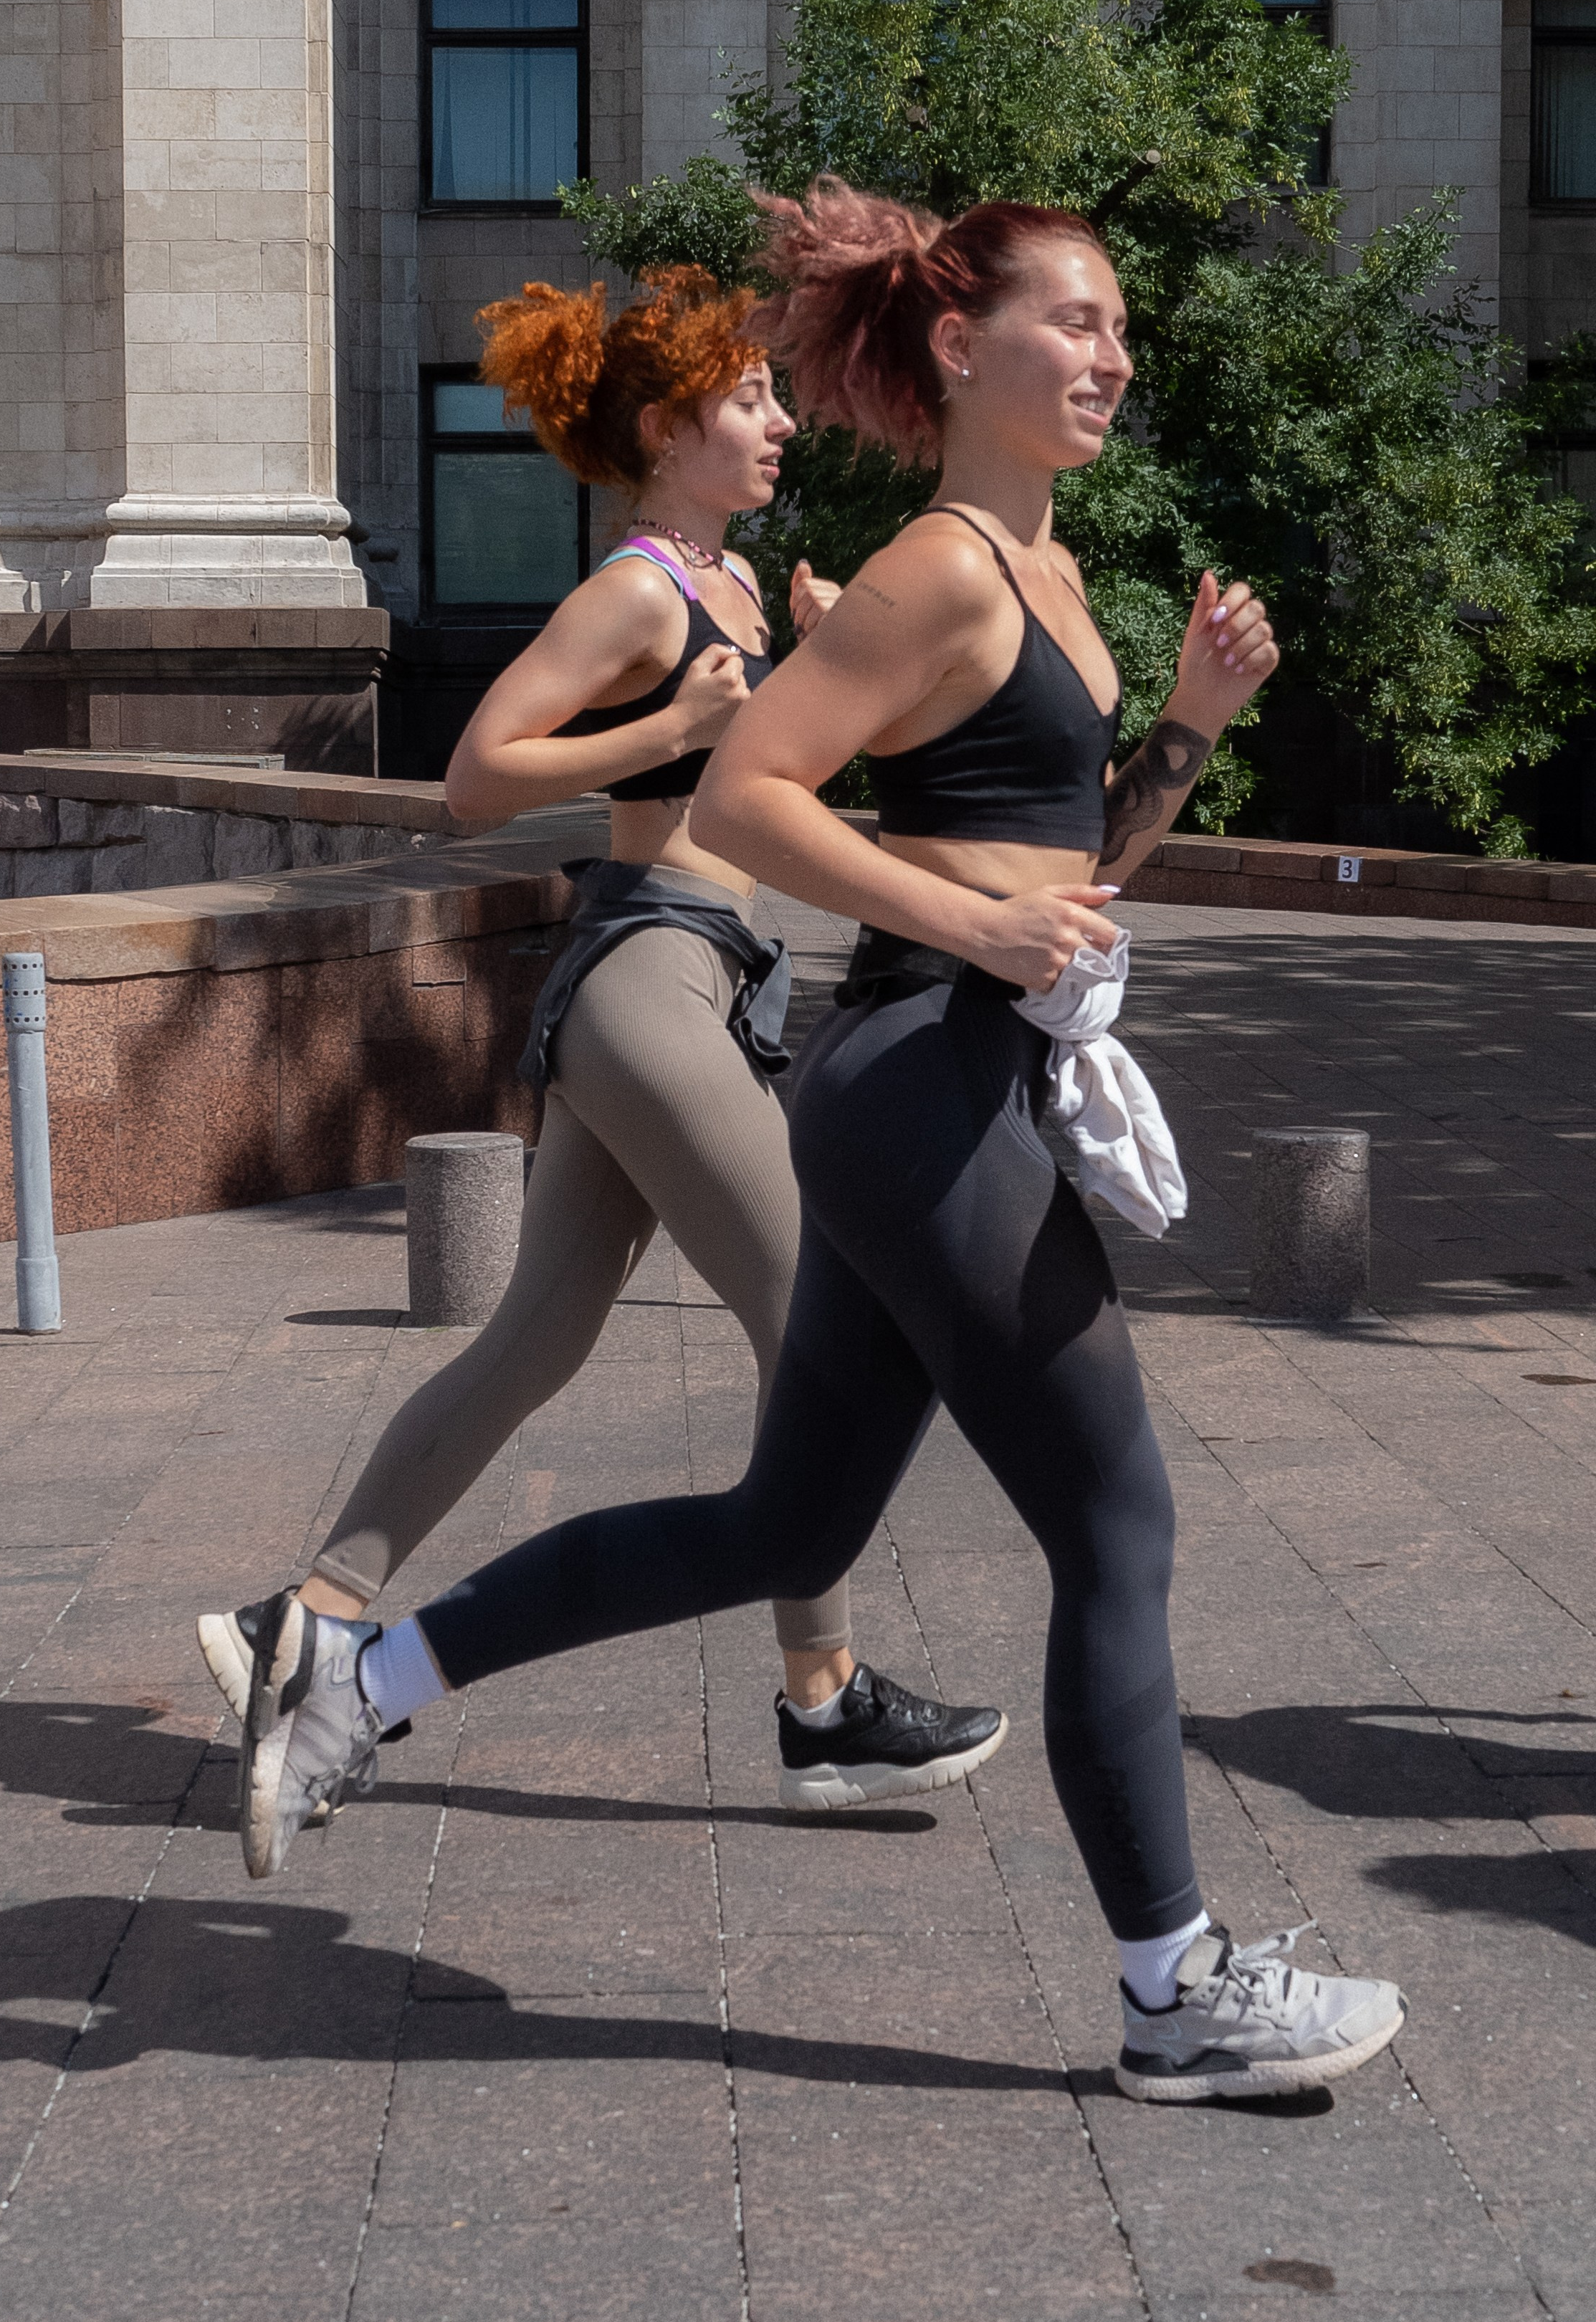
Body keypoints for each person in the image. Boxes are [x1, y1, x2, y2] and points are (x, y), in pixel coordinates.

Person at [233, 186, 1405, 2103]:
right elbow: (760, 798)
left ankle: (357, 1688)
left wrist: (1185, 730)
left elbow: (1074, 877)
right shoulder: (935, 568)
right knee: (1118, 1524)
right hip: (921, 1083)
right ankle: (1172, 1989)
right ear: (962, 351)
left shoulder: (1051, 581)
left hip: (964, 1074)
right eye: (1076, 323)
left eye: (1123, 329)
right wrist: (972, 928)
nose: (1112, 356)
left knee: (788, 1524)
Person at [199, 262, 1004, 1832]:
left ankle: (300, 1616)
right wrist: (670, 726)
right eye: (750, 398)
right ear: (666, 425)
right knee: (817, 1321)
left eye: (776, 394)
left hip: (701, 977)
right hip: (647, 975)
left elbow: (772, 788)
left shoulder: (739, 589)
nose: (779, 420)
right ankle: (824, 1697)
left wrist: (835, 672)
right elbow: (476, 777)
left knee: (533, 1342)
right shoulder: (641, 587)